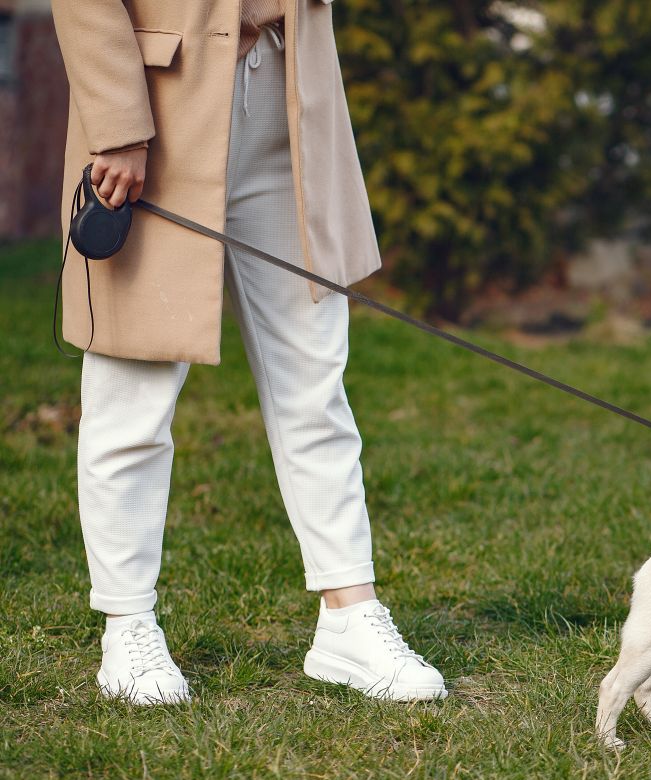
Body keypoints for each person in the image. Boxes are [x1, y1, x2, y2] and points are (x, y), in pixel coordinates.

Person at [53, 0, 446, 704]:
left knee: (315, 381)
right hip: (157, 112)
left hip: (290, 101)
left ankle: (349, 615)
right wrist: (116, 123)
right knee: (132, 387)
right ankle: (127, 623)